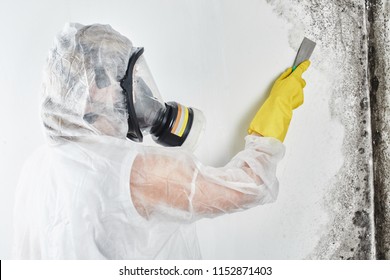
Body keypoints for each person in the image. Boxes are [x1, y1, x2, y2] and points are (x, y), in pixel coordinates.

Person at [12, 23, 310, 259]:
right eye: (124, 78)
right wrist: (275, 113)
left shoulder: (35, 168)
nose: (137, 89)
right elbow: (252, 186)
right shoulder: (133, 172)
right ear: (90, 90)